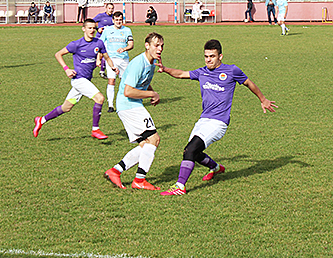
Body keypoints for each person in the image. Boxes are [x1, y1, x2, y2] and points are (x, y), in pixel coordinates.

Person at [159, 39, 276, 195]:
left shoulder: (232, 71)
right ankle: (216, 168)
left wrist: (263, 99)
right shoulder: (202, 71)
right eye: (206, 56)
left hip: (218, 122)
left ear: (220, 56)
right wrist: (165, 68)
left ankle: (180, 186)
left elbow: (249, 83)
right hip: (203, 120)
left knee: (190, 151)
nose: (208, 59)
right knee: (192, 151)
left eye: (212, 56)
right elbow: (181, 74)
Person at [33, 18, 116, 140]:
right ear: (83, 29)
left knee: (66, 107)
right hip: (78, 80)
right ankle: (95, 129)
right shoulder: (76, 44)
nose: (92, 30)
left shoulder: (99, 43)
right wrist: (66, 68)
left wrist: (113, 66)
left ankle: (41, 120)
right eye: (89, 28)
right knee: (100, 98)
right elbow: (58, 54)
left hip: (86, 80)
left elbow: (107, 57)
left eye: (94, 28)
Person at [104, 32, 164, 190]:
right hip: (129, 104)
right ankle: (139, 180)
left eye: (162, 46)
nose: (160, 49)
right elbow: (128, 91)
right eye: (156, 45)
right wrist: (152, 94)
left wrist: (151, 91)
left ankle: (115, 171)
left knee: (146, 144)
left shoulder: (151, 62)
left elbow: (143, 81)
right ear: (147, 46)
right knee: (154, 139)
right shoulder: (139, 63)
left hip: (131, 105)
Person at [100, 10, 134, 113]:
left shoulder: (127, 30)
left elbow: (131, 45)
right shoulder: (107, 30)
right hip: (111, 59)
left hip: (124, 59)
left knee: (126, 82)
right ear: (113, 20)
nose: (118, 22)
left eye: (120, 20)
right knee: (111, 80)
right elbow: (100, 44)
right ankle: (110, 104)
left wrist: (124, 49)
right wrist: (98, 58)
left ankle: (125, 102)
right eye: (116, 20)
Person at [93, 2, 116, 77]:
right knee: (96, 55)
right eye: (109, 8)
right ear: (106, 8)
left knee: (105, 54)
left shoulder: (113, 17)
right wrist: (97, 29)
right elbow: (91, 22)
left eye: (112, 8)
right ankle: (91, 69)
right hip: (99, 38)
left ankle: (102, 71)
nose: (111, 10)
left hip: (109, 39)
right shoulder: (101, 16)